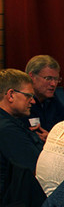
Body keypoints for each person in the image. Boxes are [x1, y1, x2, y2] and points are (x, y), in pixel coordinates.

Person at [0, 68, 42, 197]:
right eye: (28, 96)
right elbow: (38, 167)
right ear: (11, 95)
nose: (33, 101)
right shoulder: (6, 129)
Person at [23, 55, 64, 140]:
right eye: (48, 78)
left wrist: (52, 138)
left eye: (56, 79)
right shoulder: (22, 103)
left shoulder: (51, 98)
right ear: (31, 77)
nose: (53, 84)